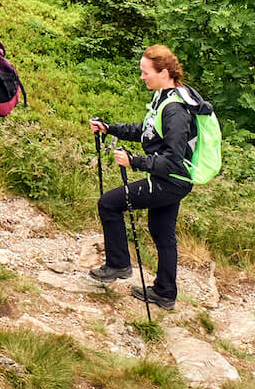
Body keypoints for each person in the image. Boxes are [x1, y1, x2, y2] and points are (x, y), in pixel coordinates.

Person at [89, 45, 210, 308]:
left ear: (164, 72)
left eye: (146, 73)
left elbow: (172, 159)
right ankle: (165, 293)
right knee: (162, 233)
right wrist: (110, 129)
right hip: (175, 180)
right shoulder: (165, 96)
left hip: (170, 180)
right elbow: (146, 131)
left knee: (109, 203)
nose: (142, 77)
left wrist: (134, 161)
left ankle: (119, 265)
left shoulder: (175, 109)